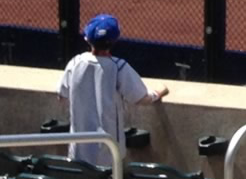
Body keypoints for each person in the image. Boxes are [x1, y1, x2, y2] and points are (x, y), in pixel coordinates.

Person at [58, 14, 166, 167]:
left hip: (78, 152)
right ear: (115, 40)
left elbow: (62, 96)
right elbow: (141, 98)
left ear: (88, 39)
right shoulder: (119, 67)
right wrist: (158, 93)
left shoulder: (75, 63)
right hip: (108, 155)